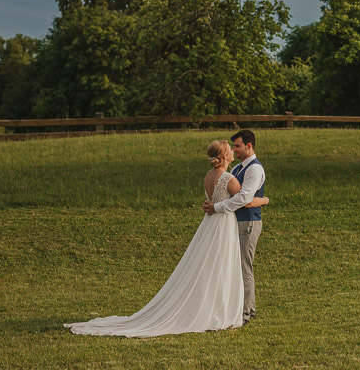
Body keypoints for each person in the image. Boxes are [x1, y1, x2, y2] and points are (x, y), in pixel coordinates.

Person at [65, 140, 268, 337]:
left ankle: (214, 304)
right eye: (230, 150)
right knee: (224, 265)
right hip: (223, 224)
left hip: (209, 224)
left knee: (209, 264)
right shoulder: (228, 178)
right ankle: (220, 309)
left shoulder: (208, 176)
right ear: (224, 156)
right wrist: (265, 200)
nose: (233, 152)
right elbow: (245, 200)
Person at [203, 128, 265, 325]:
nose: (235, 150)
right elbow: (240, 197)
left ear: (249, 145)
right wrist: (264, 200)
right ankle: (249, 307)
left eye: (238, 146)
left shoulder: (254, 168)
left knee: (244, 267)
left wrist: (217, 207)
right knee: (238, 266)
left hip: (248, 222)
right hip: (232, 222)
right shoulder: (236, 170)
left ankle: (246, 312)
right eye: (233, 147)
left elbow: (245, 199)